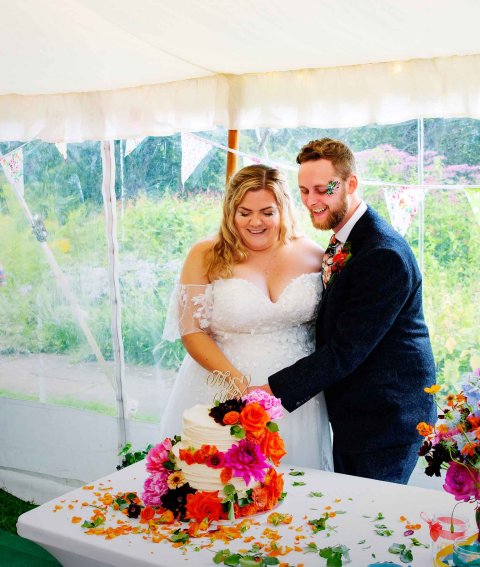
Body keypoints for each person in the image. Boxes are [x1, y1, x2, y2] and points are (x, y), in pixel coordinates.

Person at [253, 138, 436, 484]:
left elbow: (344, 351)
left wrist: (270, 393)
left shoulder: (383, 254)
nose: (311, 201)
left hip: (386, 417)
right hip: (357, 411)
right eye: (304, 191)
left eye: (323, 189)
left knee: (372, 520)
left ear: (351, 184)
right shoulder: (347, 238)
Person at [159, 164, 333, 470]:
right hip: (221, 388)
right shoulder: (206, 254)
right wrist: (241, 386)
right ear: (230, 211)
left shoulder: (315, 255)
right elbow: (192, 330)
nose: (255, 221)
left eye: (267, 212)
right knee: (223, 485)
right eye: (244, 212)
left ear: (283, 210)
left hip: (296, 398)